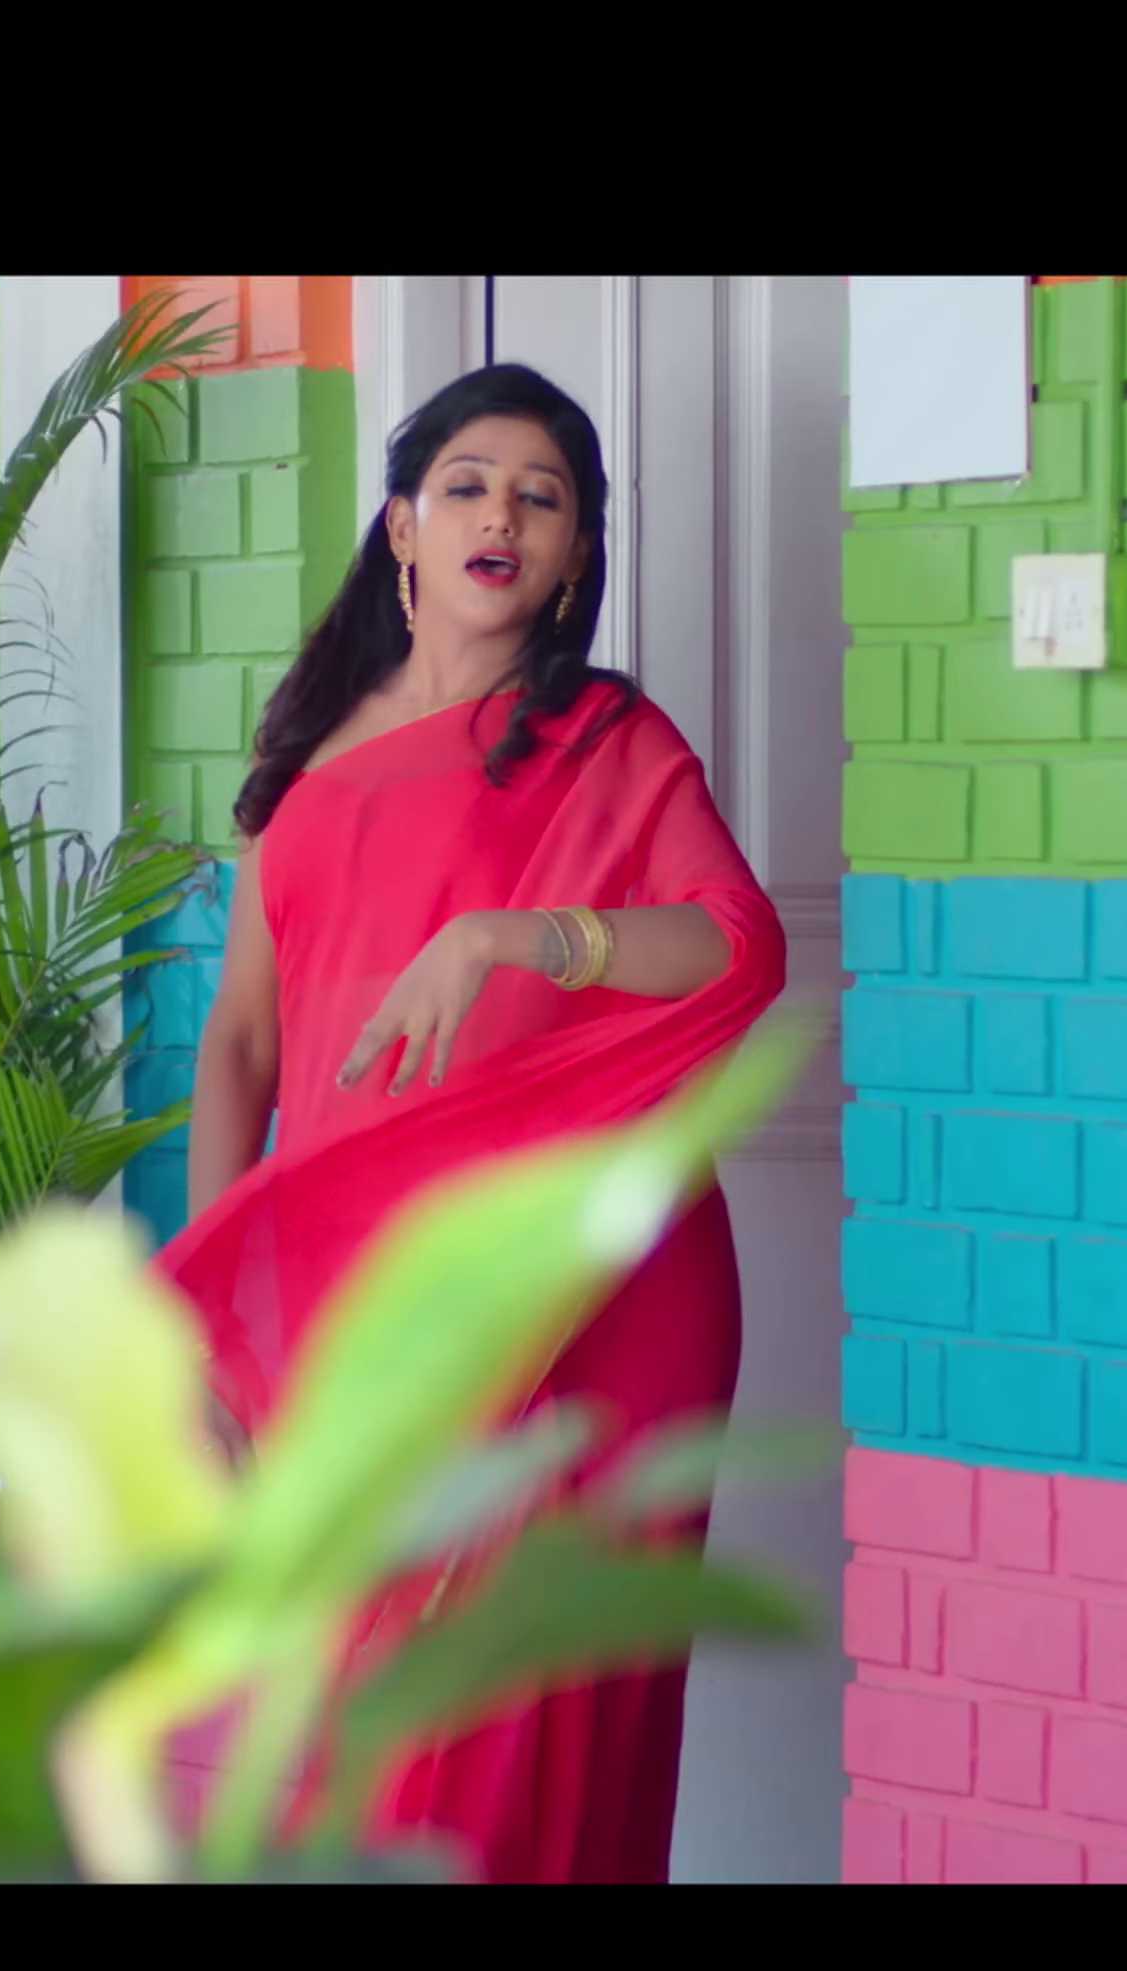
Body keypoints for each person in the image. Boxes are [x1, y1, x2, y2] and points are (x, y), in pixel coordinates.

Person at [152, 362, 786, 1885]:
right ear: (403, 528)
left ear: (575, 557)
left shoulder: (610, 741)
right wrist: (210, 1326)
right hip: (367, 1290)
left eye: (541, 498)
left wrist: (521, 937)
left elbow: (739, 946)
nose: (502, 516)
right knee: (366, 1717)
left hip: (588, 1292)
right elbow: (241, 1047)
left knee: (519, 1720)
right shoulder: (312, 756)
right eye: (468, 487)